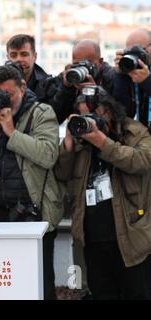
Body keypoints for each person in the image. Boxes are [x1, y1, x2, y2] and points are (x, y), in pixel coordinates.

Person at [0, 65, 64, 300]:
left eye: (8, 95)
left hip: (33, 213)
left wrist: (12, 133)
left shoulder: (42, 112)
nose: (4, 101)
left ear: (23, 87)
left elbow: (48, 155)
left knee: (40, 285)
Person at [55, 87, 151, 299]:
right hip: (92, 240)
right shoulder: (81, 139)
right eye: (86, 115)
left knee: (137, 293)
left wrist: (102, 142)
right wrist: (69, 144)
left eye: (97, 114)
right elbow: (62, 173)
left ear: (110, 110)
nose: (92, 121)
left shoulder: (132, 130)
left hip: (130, 236)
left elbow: (142, 161)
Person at [51, 39, 116, 124]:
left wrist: (96, 92)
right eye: (77, 63)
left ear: (100, 62)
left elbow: (118, 119)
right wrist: (66, 88)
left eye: (88, 63)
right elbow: (55, 120)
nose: (82, 68)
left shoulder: (111, 77)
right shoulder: (68, 76)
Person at [113, 28, 151, 132]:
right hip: (140, 138)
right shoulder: (128, 71)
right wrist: (120, 74)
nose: (135, 56)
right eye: (130, 52)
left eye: (140, 50)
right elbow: (122, 111)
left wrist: (147, 81)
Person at [6, 34, 57, 106]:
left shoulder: (47, 85)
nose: (18, 59)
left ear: (34, 56)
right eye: (13, 55)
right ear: (8, 58)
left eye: (24, 54)